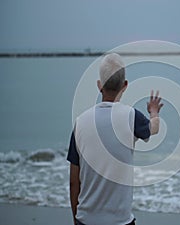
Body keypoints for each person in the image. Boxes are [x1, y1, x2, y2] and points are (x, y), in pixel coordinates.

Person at [67, 53, 163, 225]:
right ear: (125, 85)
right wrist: (154, 111)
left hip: (86, 220)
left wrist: (76, 218)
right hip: (121, 221)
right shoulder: (132, 116)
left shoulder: (80, 123)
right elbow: (154, 128)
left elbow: (74, 181)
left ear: (99, 85)